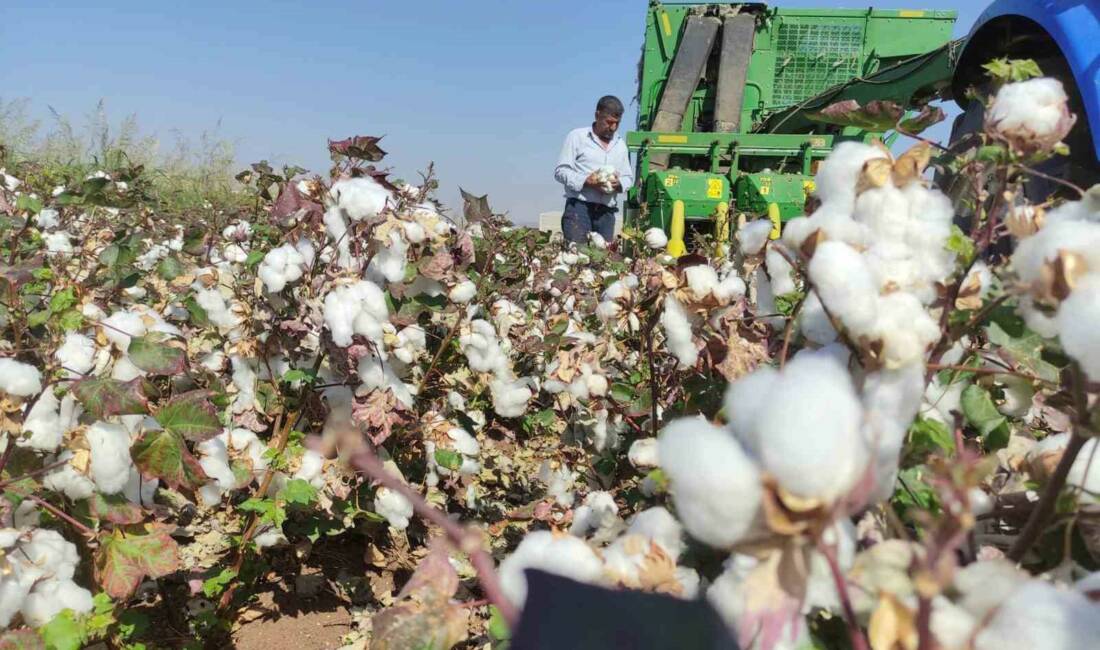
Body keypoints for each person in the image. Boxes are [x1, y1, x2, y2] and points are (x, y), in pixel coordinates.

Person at [554, 95, 634, 244]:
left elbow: (628, 177)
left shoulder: (620, 145)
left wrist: (619, 184)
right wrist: (586, 181)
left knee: (602, 261)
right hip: (579, 209)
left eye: (617, 123)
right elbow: (561, 171)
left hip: (606, 214)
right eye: (609, 122)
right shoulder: (577, 137)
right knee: (578, 257)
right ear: (597, 115)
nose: (613, 128)